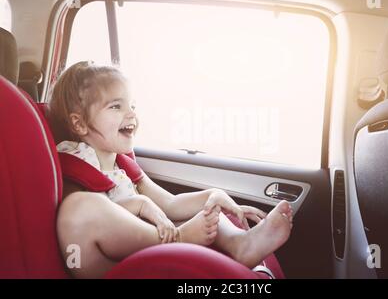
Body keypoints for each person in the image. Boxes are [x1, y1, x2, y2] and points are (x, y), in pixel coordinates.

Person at [49, 61, 293, 278]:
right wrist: (141, 205)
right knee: (79, 207)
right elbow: (95, 220)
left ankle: (240, 244)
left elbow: (170, 204)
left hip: (142, 249)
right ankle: (179, 237)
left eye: (132, 105)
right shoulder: (76, 159)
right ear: (79, 124)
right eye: (116, 106)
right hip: (105, 266)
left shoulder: (122, 164)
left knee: (207, 211)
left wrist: (210, 196)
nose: (131, 113)